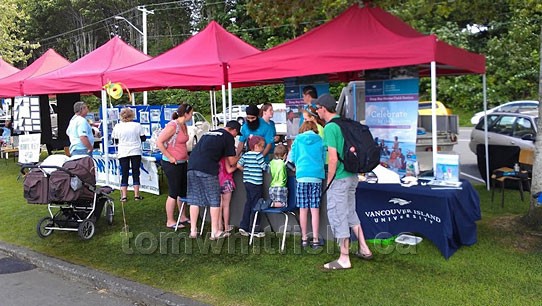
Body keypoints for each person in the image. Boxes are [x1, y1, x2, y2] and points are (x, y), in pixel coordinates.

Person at [315, 93, 373, 270]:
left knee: (338, 215)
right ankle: (364, 248)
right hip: (352, 175)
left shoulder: (331, 128)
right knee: (349, 212)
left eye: (317, 108)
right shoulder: (345, 123)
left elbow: (332, 158)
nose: (317, 112)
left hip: (339, 178)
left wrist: (329, 181)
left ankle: (344, 258)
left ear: (323, 109)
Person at [187, 120, 241, 239]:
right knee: (214, 199)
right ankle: (215, 231)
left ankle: (193, 231)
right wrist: (240, 156)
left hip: (191, 166)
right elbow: (231, 161)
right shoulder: (228, 137)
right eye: (236, 134)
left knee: (194, 199)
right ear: (234, 130)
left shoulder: (208, 133)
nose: (235, 137)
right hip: (208, 168)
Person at [290, 121, 325, 248]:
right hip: (316, 176)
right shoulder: (320, 140)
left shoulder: (297, 140)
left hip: (302, 176)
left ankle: (304, 238)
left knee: (303, 209)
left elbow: (292, 158)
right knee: (315, 209)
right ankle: (315, 239)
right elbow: (323, 157)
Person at [157, 103, 192, 229]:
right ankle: (170, 220)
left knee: (182, 190)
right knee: (173, 191)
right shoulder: (173, 126)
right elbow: (159, 142)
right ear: (186, 113)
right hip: (172, 163)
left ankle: (182, 216)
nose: (192, 115)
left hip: (182, 162)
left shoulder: (184, 125)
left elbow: (182, 144)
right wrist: (170, 157)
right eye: (191, 113)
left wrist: (186, 156)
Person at [111, 107, 146, 202]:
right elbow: (143, 138)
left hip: (123, 151)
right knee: (135, 172)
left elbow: (114, 140)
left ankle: (124, 196)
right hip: (135, 151)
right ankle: (136, 195)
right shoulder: (137, 125)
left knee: (124, 173)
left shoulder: (117, 126)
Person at [237, 135, 269, 237]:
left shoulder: (246, 155)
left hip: (247, 182)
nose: (263, 149)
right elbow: (265, 167)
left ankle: (244, 226)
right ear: (256, 146)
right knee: (257, 205)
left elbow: (238, 165)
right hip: (256, 184)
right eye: (262, 146)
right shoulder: (258, 156)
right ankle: (254, 228)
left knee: (248, 204)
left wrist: (246, 171)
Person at [218, 156, 237, 233]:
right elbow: (229, 170)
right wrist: (237, 166)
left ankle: (219, 226)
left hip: (216, 182)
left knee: (218, 205)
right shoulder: (225, 158)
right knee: (226, 206)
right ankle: (226, 226)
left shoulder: (214, 157)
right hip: (226, 181)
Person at [268, 144, 288, 208]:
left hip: (272, 187)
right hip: (281, 187)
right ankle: (270, 204)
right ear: (285, 155)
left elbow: (268, 170)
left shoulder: (271, 163)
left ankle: (269, 203)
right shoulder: (283, 163)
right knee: (283, 204)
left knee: (275, 202)